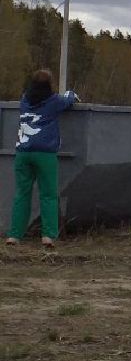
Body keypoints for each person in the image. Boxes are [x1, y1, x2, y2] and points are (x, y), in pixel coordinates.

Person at [6, 69, 78, 248]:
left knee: (22, 194)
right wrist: (71, 93)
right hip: (45, 154)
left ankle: (14, 236)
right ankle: (48, 236)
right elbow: (68, 99)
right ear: (49, 84)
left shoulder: (24, 99)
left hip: (23, 152)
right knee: (48, 195)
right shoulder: (53, 101)